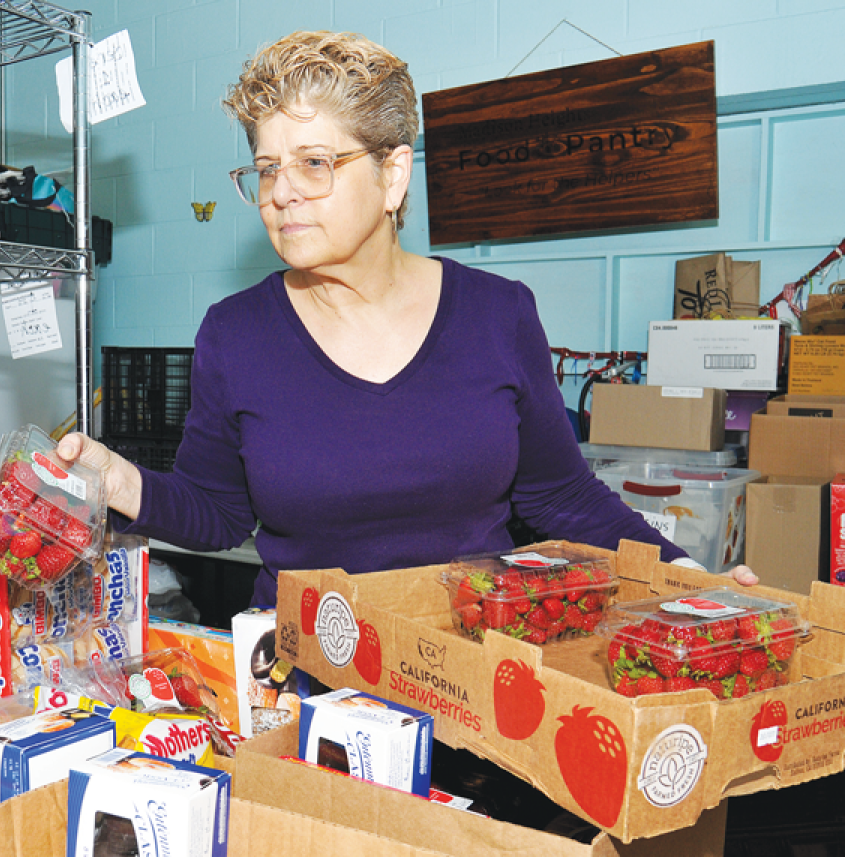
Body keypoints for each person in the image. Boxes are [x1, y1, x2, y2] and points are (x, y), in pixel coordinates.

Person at [58, 30, 758, 606]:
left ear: (392, 176)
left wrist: (687, 577)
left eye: (315, 162)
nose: (282, 192)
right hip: (307, 682)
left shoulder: (498, 314)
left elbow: (561, 494)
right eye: (267, 168)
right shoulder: (234, 334)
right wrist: (115, 479)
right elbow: (217, 511)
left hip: (473, 670)